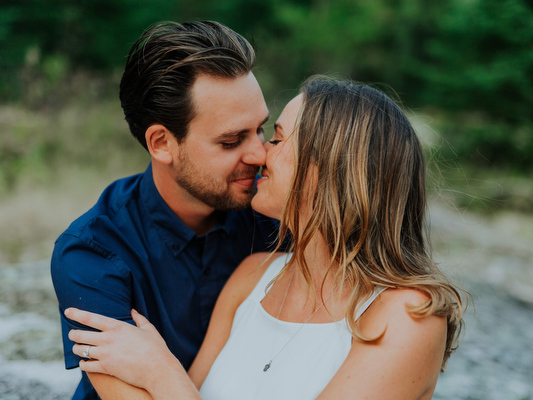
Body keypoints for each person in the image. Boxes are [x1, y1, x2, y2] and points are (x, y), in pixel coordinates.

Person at [65, 77, 466, 400]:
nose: (260, 154)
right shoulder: (252, 276)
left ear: (330, 168)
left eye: (273, 137)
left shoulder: (409, 316)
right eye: (238, 139)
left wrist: (160, 369)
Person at [50, 20, 285, 400]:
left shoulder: (275, 213)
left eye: (260, 128)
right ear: (161, 143)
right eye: (230, 141)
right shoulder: (91, 254)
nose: (260, 154)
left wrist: (160, 371)